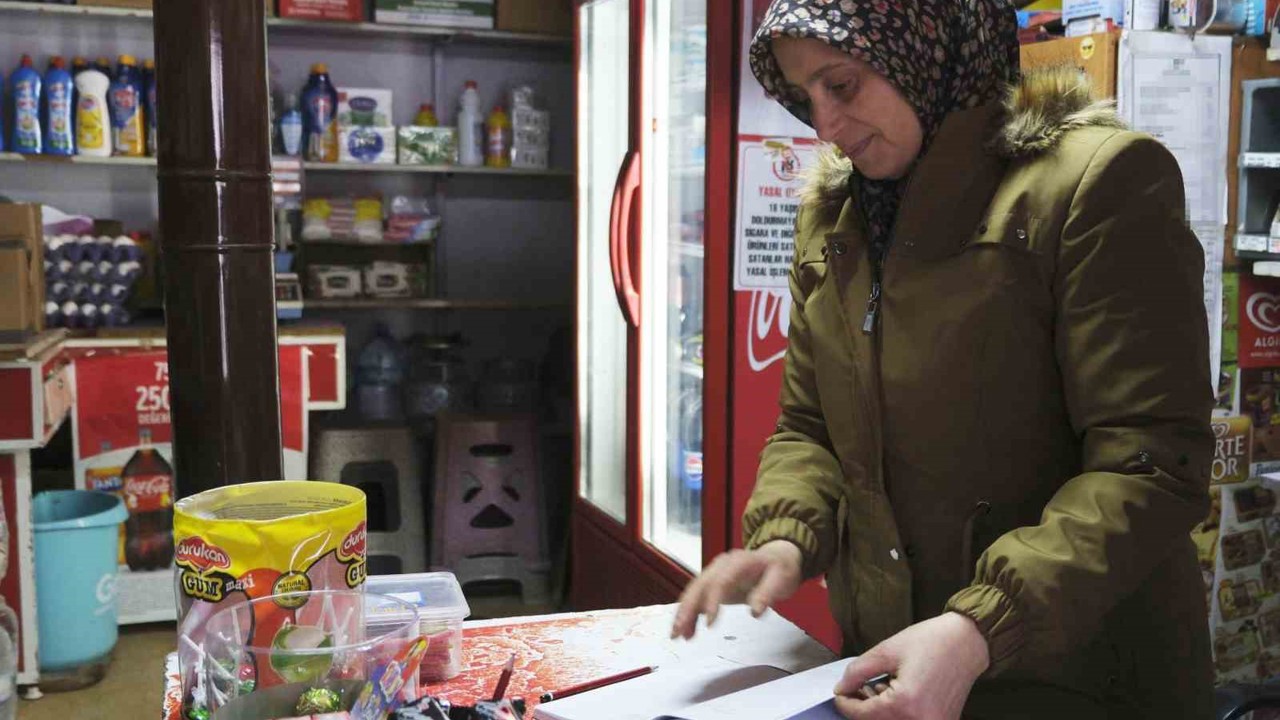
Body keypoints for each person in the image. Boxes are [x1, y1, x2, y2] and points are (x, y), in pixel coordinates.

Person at [671, 1, 1214, 718]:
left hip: (1078, 680)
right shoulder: (834, 216)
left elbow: (1150, 464)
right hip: (895, 664)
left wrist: (979, 626)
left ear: (923, 44)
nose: (824, 126)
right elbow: (810, 426)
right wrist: (785, 539)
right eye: (805, 96)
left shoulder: (1095, 185)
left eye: (842, 84)